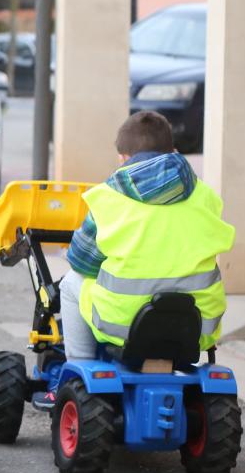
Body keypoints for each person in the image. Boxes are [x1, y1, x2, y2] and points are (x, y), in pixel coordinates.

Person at [59, 110, 234, 368]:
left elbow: (82, 262)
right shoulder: (206, 196)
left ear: (123, 158)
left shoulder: (107, 197)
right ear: (173, 150)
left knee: (71, 282)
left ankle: (79, 366)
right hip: (199, 325)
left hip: (122, 324)